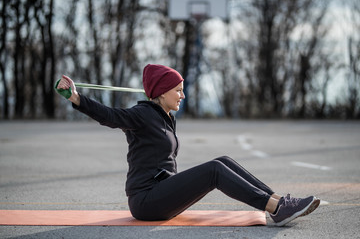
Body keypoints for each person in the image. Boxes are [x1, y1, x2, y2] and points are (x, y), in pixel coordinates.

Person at [55, 64, 320, 227]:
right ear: (161, 92)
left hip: (161, 192)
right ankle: (274, 207)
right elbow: (110, 116)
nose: (183, 95)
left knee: (224, 160)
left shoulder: (164, 117)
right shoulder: (142, 114)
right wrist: (77, 98)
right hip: (146, 200)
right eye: (178, 90)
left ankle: (278, 202)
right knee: (214, 170)